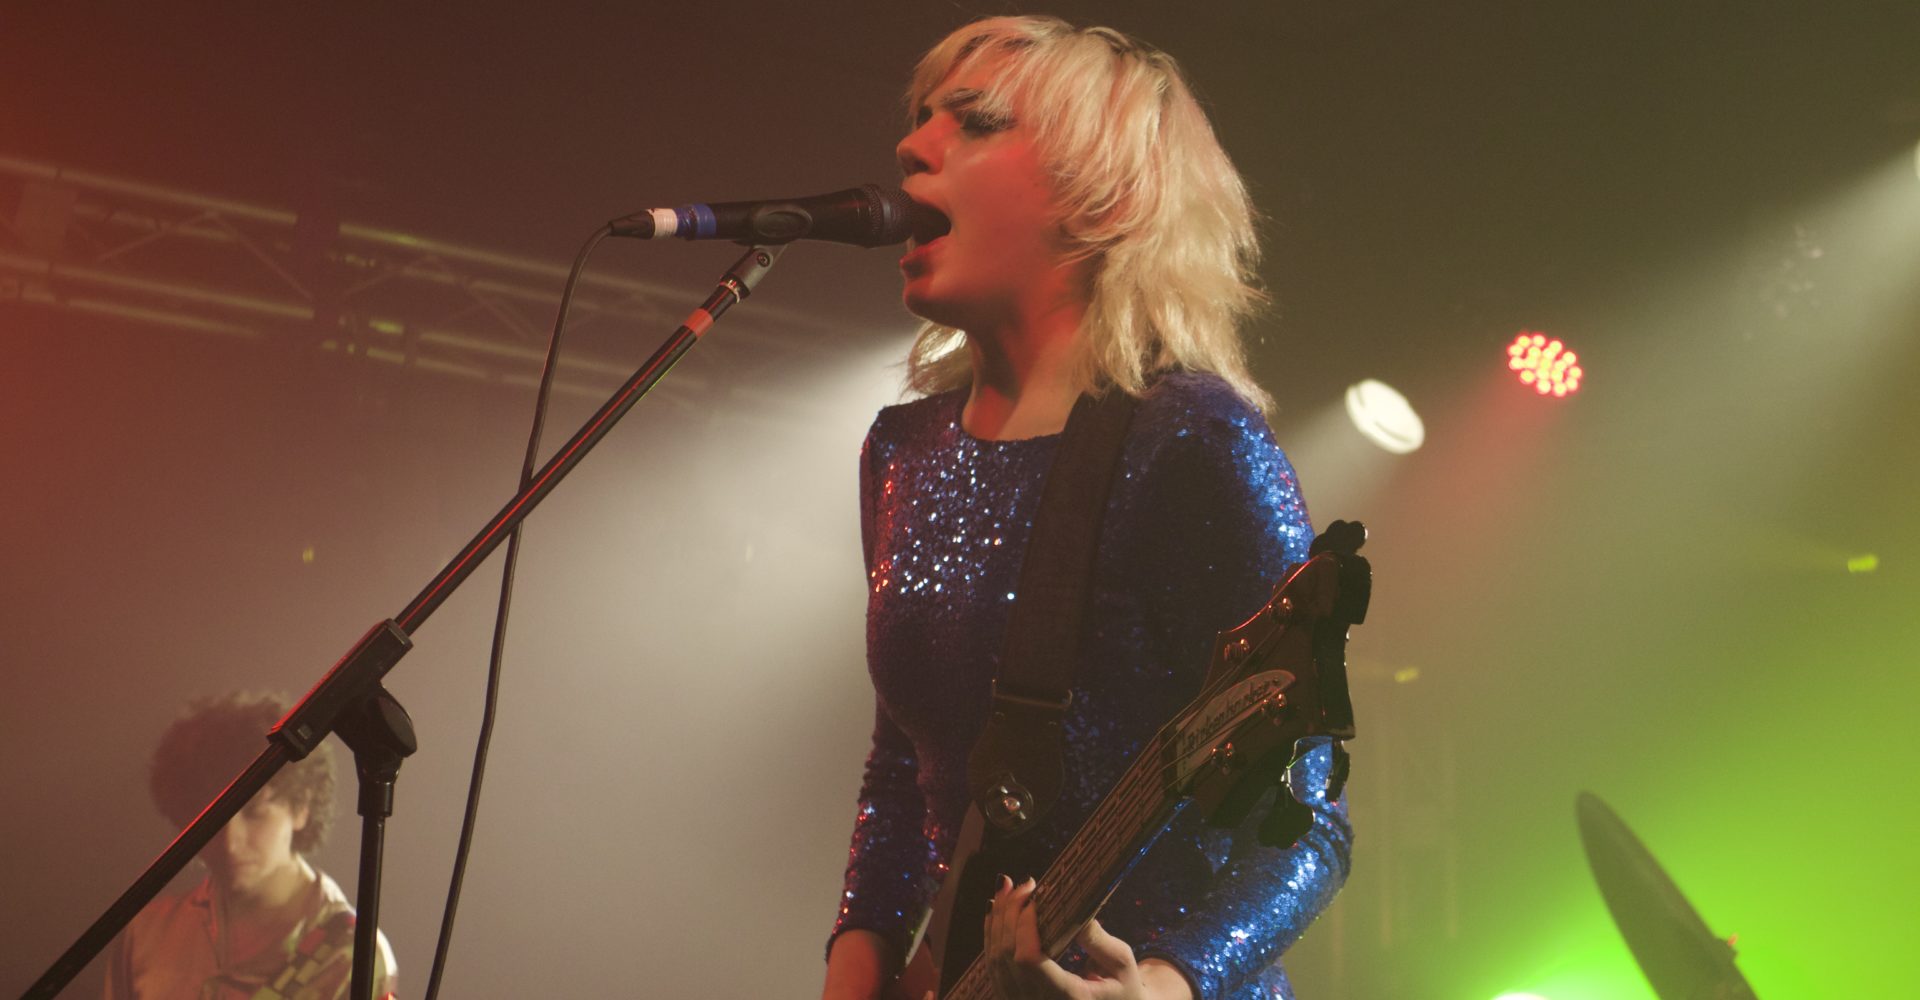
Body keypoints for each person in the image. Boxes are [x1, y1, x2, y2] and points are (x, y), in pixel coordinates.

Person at [821, 15, 1351, 1000]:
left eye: (973, 122)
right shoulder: (902, 450)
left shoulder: (1192, 442)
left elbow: (1308, 823)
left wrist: (1162, 980)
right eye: (919, 116)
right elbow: (908, 764)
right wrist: (856, 966)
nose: (909, 144)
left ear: (1097, 194)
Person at [105, 692, 398, 1000]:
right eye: (214, 819)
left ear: (301, 807)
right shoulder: (148, 933)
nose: (231, 843)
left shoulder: (354, 957)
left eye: (255, 814)